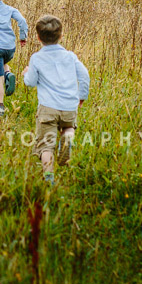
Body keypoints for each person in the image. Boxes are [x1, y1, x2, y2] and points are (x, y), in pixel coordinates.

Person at [22, 14, 89, 185]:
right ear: (61, 35)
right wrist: (82, 96)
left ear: (38, 37)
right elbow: (84, 75)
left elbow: (30, 82)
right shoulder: (70, 56)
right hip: (69, 106)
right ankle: (68, 138)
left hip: (48, 108)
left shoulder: (37, 58)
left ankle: (49, 179)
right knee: (68, 127)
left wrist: (26, 73)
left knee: (46, 145)